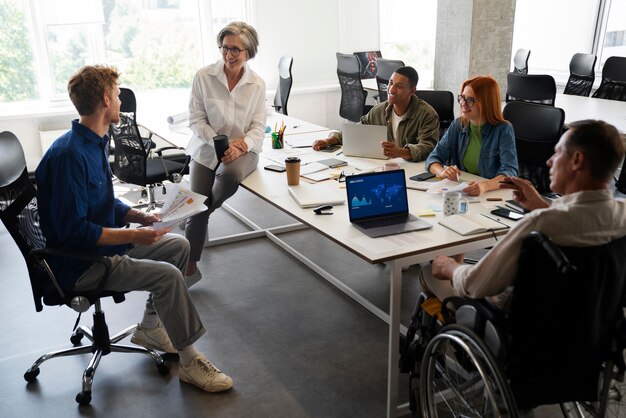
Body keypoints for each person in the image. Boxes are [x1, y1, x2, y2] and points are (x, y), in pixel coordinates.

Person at [35, 65, 233, 393]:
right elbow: (77, 232)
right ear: (104, 99)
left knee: (179, 246)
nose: (119, 102)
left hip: (100, 246)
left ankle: (151, 328)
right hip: (82, 263)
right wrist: (132, 235)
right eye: (115, 95)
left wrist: (142, 218)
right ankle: (189, 361)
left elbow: (102, 203)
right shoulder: (70, 155)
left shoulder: (93, 140)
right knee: (168, 276)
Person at [423, 119, 626, 307]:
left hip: (515, 325)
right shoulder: (621, 216)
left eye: (557, 153)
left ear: (577, 160)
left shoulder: (539, 225)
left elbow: (474, 284)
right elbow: (580, 223)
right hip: (592, 329)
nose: (549, 162)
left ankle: (446, 343)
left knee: (430, 274)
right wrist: (540, 204)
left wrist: (449, 266)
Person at [185, 21, 266, 283]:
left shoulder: (257, 84)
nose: (229, 55)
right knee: (198, 199)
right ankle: (190, 268)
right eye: (224, 48)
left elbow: (258, 126)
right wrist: (218, 142)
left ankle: (197, 215)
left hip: (244, 150)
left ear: (249, 52)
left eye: (235, 49)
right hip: (208, 149)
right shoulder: (204, 76)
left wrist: (240, 145)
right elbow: (196, 119)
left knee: (226, 180)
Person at [312, 66, 439, 162]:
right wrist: (329, 140)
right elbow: (357, 129)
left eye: (399, 86)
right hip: (386, 167)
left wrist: (400, 152)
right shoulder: (379, 110)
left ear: (412, 91)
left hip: (414, 172)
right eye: (390, 83)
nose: (391, 89)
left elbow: (428, 147)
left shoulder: (427, 114)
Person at [425, 75, 518, 196]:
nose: (463, 103)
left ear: (486, 103)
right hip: (463, 192)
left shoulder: (503, 129)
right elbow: (433, 158)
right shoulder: (458, 125)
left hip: (491, 195)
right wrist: (443, 172)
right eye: (462, 98)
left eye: (470, 100)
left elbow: (510, 172)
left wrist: (484, 186)